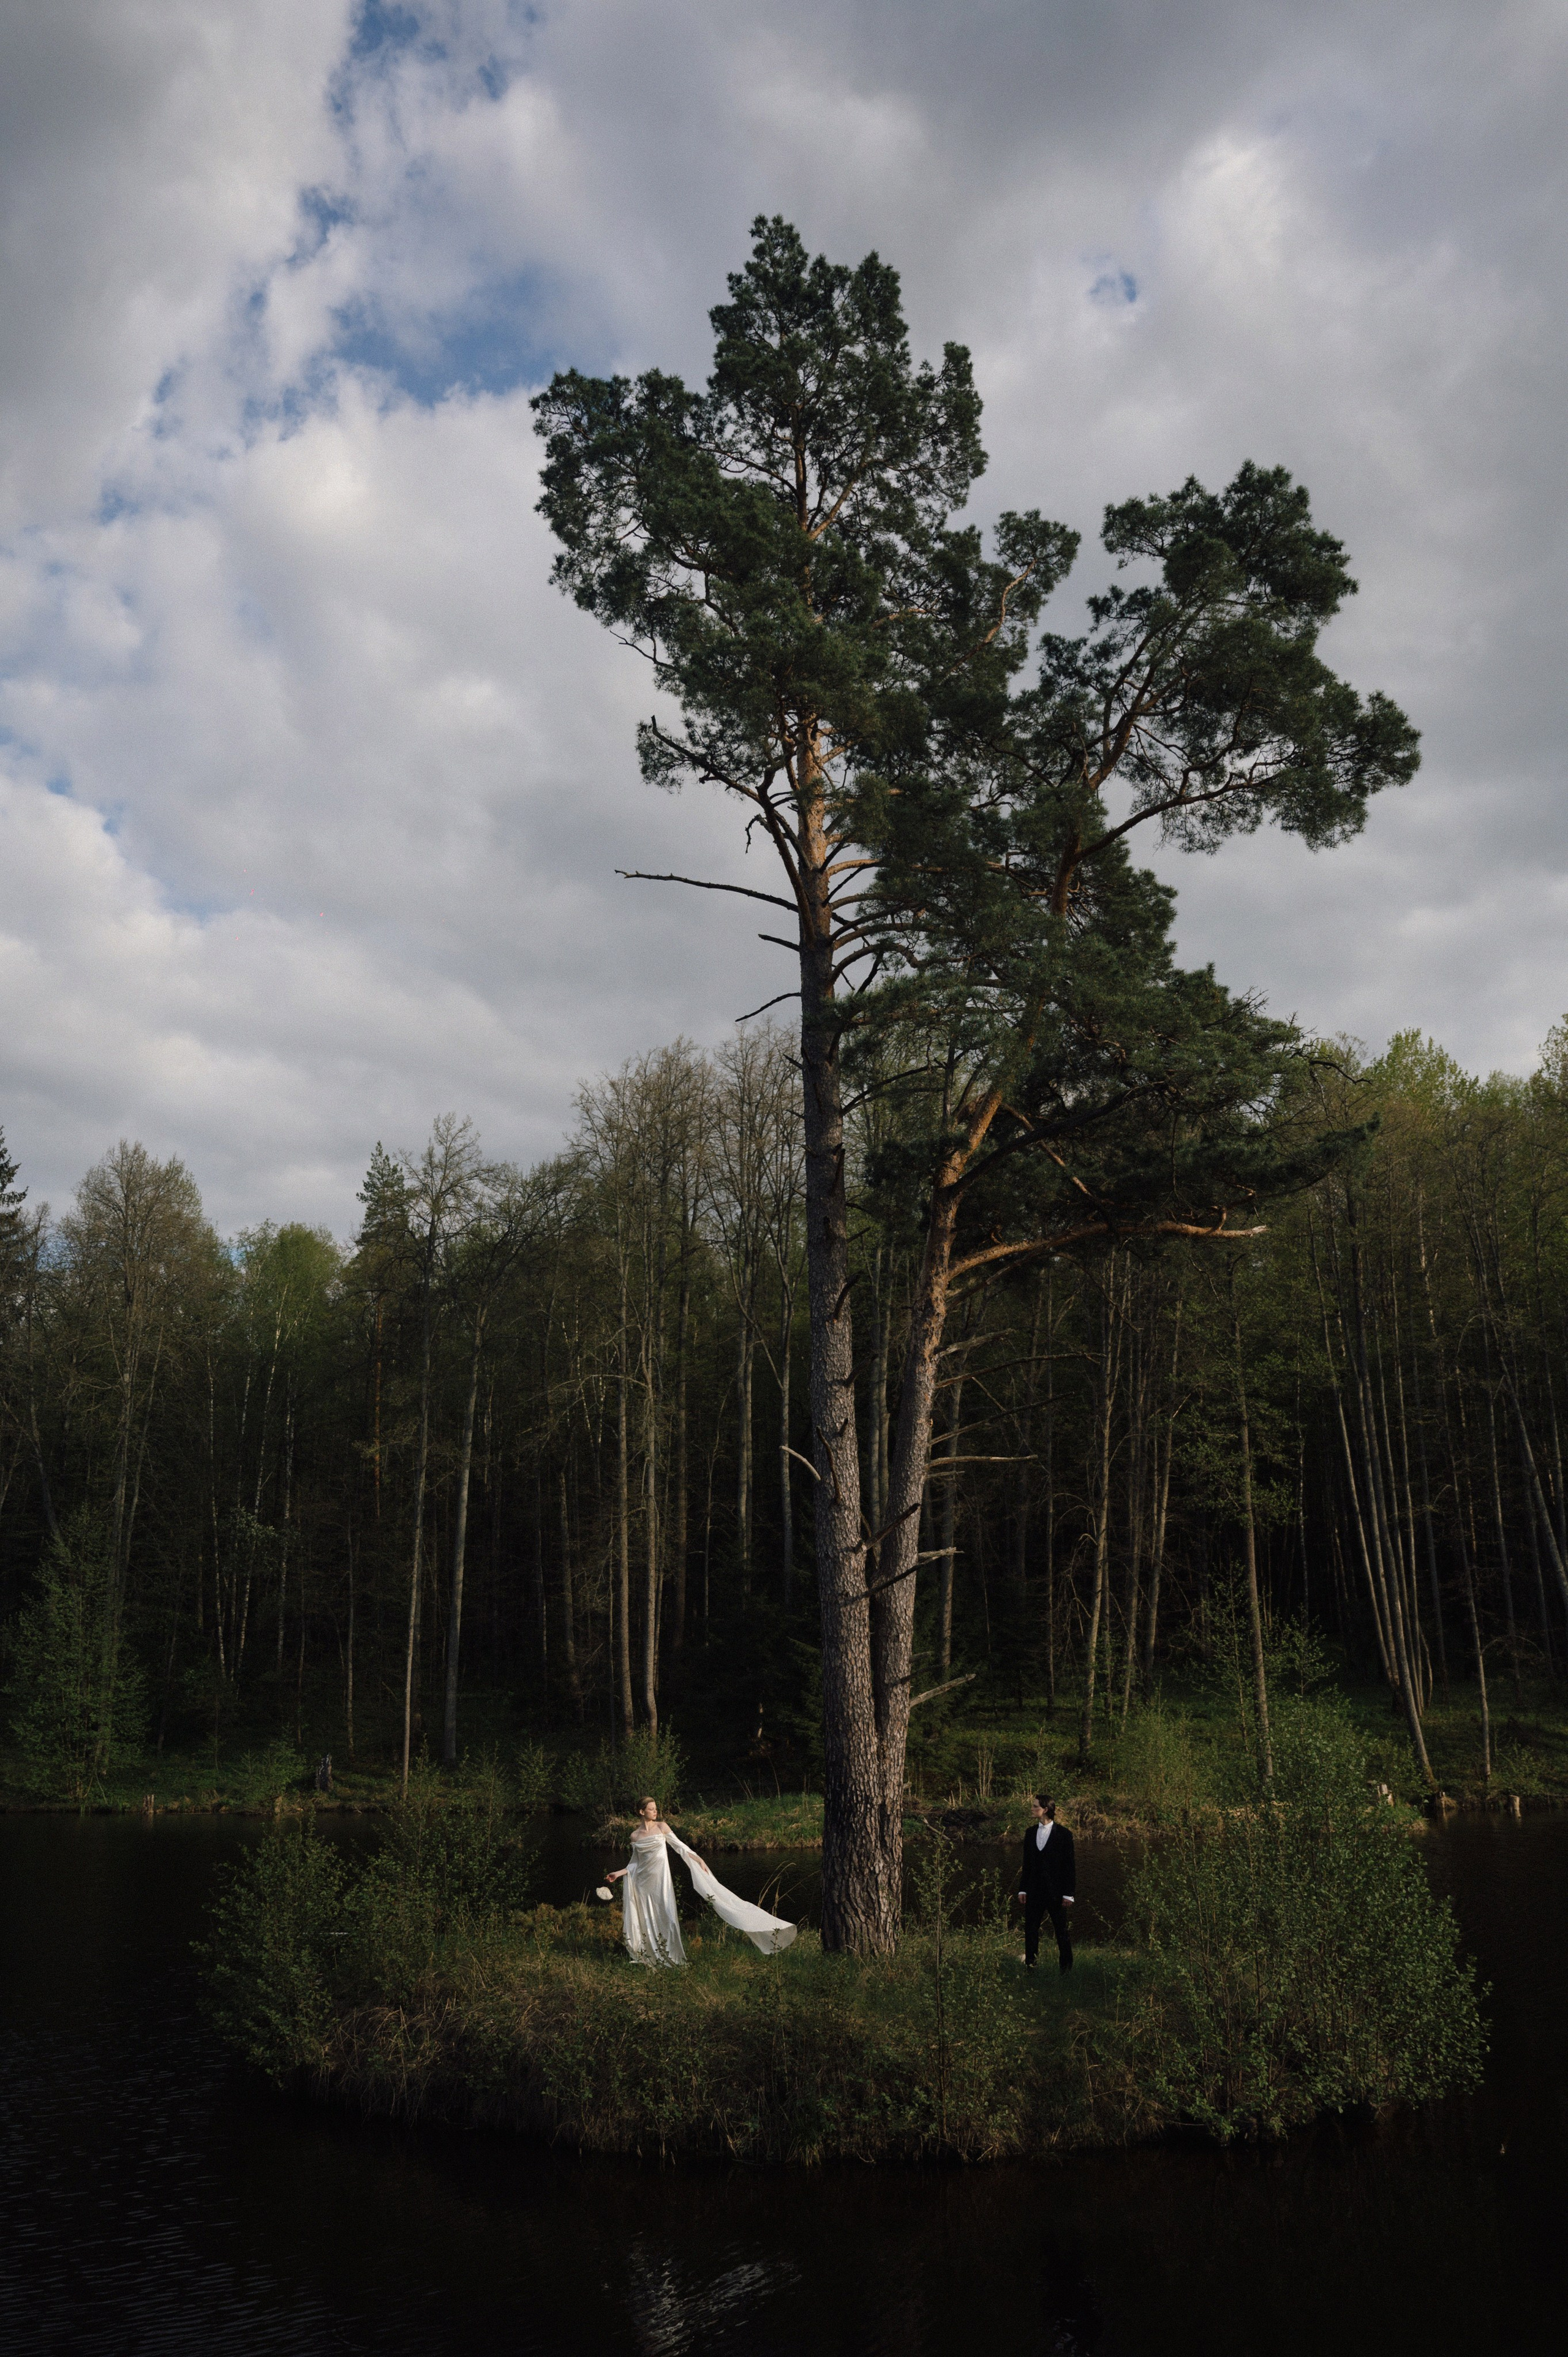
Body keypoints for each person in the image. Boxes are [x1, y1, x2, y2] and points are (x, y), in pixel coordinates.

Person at [606, 1797, 797, 1966]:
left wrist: (699, 1859)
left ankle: (670, 1954)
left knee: (668, 1917)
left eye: (656, 1808)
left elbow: (680, 1847)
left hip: (661, 1882)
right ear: (641, 1812)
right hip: (643, 1884)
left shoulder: (662, 1827)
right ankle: (649, 1953)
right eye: (651, 1809)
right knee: (646, 1918)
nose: (655, 1811)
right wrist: (618, 1873)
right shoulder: (635, 1835)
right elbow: (635, 1864)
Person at [1015, 1792, 1075, 1972]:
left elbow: (1069, 1867)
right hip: (1033, 1891)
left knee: (1062, 1931)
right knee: (1031, 1930)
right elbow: (1027, 1865)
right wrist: (1022, 1890)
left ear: (1046, 1810)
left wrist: (1069, 1894)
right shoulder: (1030, 1833)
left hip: (1057, 1893)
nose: (1032, 1809)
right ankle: (1031, 1966)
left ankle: (1066, 1969)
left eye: (1035, 1807)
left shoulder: (1065, 1835)